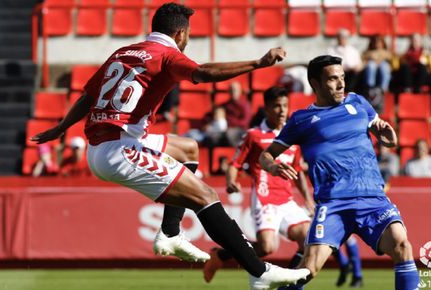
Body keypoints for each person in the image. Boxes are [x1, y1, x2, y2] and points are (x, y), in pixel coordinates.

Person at [31, 3, 310, 289]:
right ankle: (259, 272)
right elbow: (205, 74)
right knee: (205, 195)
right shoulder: (166, 55)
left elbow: (88, 97)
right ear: (180, 34)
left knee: (188, 148)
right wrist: (258, 64)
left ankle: (170, 232)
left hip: (106, 143)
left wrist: (62, 128)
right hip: (119, 149)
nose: (187, 41)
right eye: (188, 36)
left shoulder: (124, 52)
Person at [259, 55, 420, 290]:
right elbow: (266, 155)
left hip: (372, 200)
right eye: (333, 79)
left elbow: (381, 131)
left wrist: (388, 137)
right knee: (309, 269)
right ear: (315, 84)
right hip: (334, 204)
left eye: (342, 77)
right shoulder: (301, 120)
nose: (341, 84)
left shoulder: (358, 103)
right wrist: (273, 166)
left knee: (402, 246)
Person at [203, 87, 314, 289]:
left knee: (309, 239)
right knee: (266, 247)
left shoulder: (293, 139)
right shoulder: (254, 136)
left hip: (287, 200)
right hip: (264, 199)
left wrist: (307, 199)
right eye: (277, 106)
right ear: (266, 108)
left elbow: (297, 174)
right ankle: (221, 255)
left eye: (285, 106)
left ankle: (289, 286)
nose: (282, 111)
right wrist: (231, 181)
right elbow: (234, 164)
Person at [327, 29, 362, 93]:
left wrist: (356, 68)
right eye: (341, 37)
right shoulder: (331, 50)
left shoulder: (353, 50)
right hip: (338, 73)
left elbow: (359, 65)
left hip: (351, 74)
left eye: (344, 37)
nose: (342, 39)